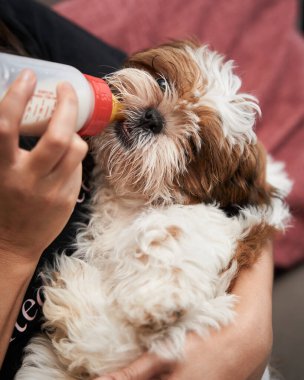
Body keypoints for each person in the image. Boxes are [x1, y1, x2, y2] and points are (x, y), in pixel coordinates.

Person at [0, 1, 273, 379]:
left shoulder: (20, 35)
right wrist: (13, 247)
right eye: (161, 84)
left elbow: (249, 190)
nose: (153, 113)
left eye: (189, 146)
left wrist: (250, 330)